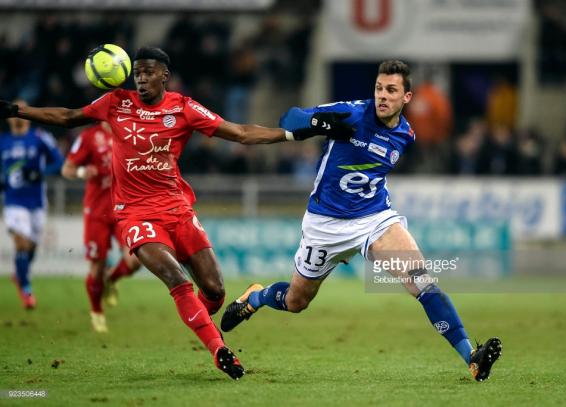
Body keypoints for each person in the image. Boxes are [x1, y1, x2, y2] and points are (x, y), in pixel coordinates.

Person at [0, 46, 352, 380]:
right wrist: (17, 111)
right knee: (177, 280)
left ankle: (200, 318)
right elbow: (67, 117)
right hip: (135, 214)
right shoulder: (114, 103)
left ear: (164, 76)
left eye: (148, 72)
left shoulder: (183, 108)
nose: (140, 78)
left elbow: (242, 133)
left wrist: (296, 133)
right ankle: (219, 351)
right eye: (137, 73)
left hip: (178, 210)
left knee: (214, 291)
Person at [221, 60, 503, 382]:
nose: (383, 96)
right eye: (379, 88)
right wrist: (322, 124)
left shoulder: (405, 135)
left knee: (422, 281)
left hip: (374, 219)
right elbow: (290, 118)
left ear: (407, 97)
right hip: (325, 224)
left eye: (392, 90)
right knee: (296, 301)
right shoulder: (352, 113)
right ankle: (256, 297)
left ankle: (472, 356)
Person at [62, 121, 141, 333]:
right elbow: (67, 169)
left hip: (124, 210)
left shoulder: (131, 133)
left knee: (136, 260)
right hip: (97, 211)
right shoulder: (89, 136)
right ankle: (97, 312)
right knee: (96, 267)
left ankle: (111, 279)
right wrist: (81, 173)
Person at [0, 99, 63, 309]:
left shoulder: (39, 138)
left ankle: (20, 275)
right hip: (13, 201)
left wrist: (41, 173)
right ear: (9, 120)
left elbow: (59, 162)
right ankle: (26, 289)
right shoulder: (3, 141)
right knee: (21, 242)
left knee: (32, 247)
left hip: (36, 201)